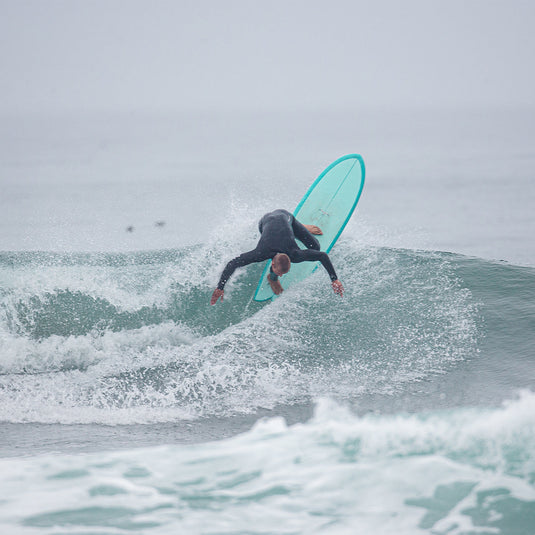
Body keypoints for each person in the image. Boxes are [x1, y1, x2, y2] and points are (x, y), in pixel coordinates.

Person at [210, 209, 344, 305]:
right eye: (279, 273)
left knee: (315, 247)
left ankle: (302, 227)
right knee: (302, 246)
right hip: (265, 221)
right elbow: (233, 263)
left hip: (285, 216)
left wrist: (334, 279)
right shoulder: (261, 253)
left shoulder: (295, 254)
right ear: (272, 264)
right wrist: (220, 287)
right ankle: (271, 277)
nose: (281, 275)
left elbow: (322, 255)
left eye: (280, 274)